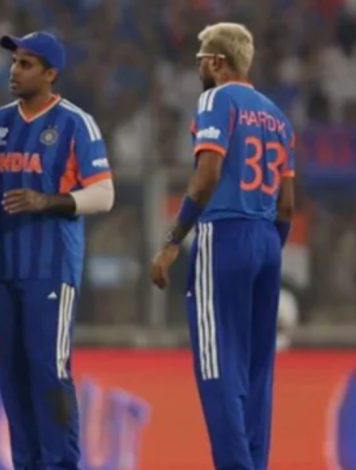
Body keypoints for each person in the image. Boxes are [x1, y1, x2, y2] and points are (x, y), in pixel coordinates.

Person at [0, 31, 115, 469]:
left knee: (49, 371)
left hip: (51, 268)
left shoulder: (75, 123)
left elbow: (104, 194)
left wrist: (48, 201)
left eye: (26, 64)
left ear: (51, 74)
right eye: (14, 62)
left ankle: (63, 463)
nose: (15, 70)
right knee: (12, 378)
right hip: (4, 267)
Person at [150, 22, 295, 470]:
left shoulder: (216, 99)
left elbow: (207, 175)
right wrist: (268, 247)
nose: (198, 69)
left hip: (224, 234)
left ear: (216, 62)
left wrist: (173, 241)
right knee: (257, 367)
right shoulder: (278, 116)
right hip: (268, 238)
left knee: (218, 366)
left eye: (200, 60)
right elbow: (287, 205)